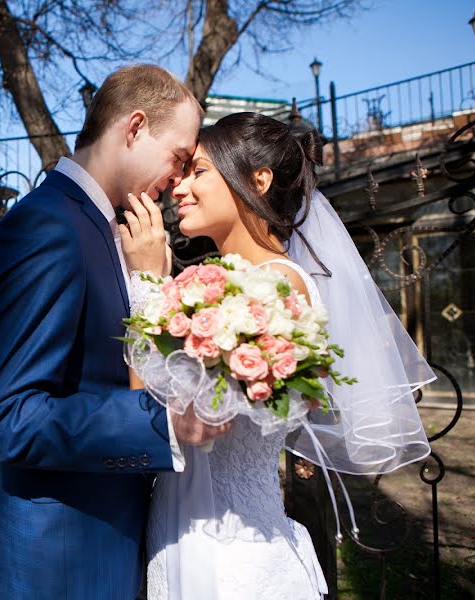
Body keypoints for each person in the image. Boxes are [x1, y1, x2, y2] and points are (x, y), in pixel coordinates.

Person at [120, 112, 433, 599]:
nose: (178, 188)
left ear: (258, 180)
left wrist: (145, 286)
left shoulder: (275, 288)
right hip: (179, 531)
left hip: (229, 553)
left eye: (198, 171)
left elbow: (167, 416)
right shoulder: (221, 285)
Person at [0, 64, 232, 599]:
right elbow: (6, 418)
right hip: (65, 561)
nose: (178, 179)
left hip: (109, 540)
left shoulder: (104, 224)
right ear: (134, 128)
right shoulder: (45, 226)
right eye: (179, 157)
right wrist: (161, 423)